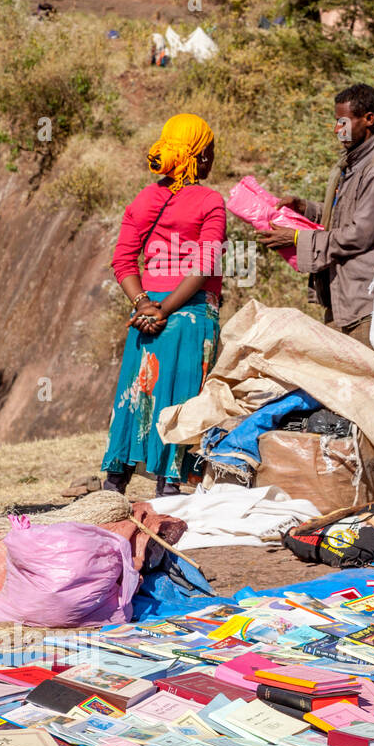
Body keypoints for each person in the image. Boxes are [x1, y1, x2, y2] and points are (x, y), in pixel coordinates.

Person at [102, 113, 224, 496]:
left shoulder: (143, 199)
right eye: (211, 152)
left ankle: (113, 484)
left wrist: (144, 304)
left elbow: (123, 261)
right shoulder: (210, 200)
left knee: (136, 399)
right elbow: (205, 267)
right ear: (200, 157)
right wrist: (166, 309)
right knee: (181, 401)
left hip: (144, 320)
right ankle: (168, 486)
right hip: (189, 316)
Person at [261, 84, 374, 347]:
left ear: (368, 119)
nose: (337, 130)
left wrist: (299, 238)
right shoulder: (355, 161)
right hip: (343, 296)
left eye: (342, 122)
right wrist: (305, 208)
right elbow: (346, 215)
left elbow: (359, 234)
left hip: (364, 301)